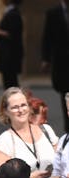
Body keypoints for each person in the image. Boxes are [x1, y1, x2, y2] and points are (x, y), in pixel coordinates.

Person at [0, 88, 57, 178]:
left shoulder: (46, 130)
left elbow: (62, 161)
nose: (21, 110)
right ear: (5, 111)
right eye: (15, 107)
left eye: (23, 105)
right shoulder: (5, 141)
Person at [40, 0, 69, 133]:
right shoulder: (53, 13)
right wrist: (45, 59)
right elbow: (47, 37)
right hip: (62, 63)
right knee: (65, 95)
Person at [0, 0, 23, 89]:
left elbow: (12, 34)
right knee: (9, 82)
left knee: (10, 83)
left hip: (10, 55)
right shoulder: (10, 12)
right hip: (8, 54)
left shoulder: (13, 14)